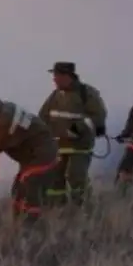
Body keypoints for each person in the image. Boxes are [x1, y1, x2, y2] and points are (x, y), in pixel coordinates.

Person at [0, 90, 58, 229]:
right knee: (18, 191)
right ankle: (19, 224)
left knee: (29, 191)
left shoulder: (4, 121)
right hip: (33, 155)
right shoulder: (5, 109)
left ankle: (32, 228)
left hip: (41, 156)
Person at [38, 62, 108, 205]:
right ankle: (57, 209)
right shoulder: (55, 95)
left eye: (56, 76)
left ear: (67, 76)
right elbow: (43, 116)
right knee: (55, 180)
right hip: (57, 146)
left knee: (76, 177)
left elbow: (98, 115)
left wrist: (77, 128)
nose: (54, 79)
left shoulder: (86, 93)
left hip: (79, 146)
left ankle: (83, 209)